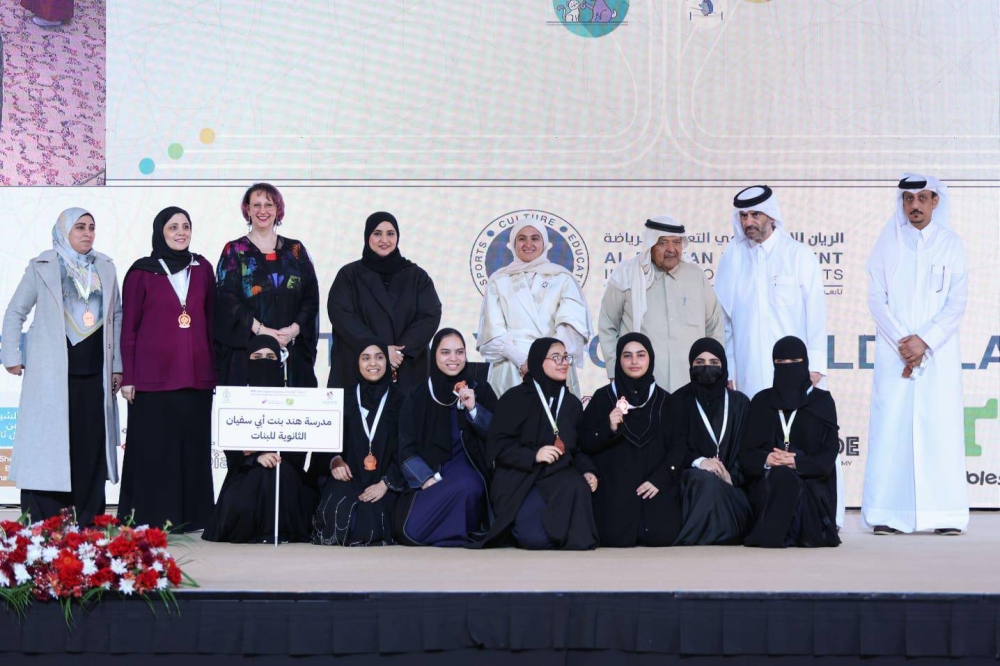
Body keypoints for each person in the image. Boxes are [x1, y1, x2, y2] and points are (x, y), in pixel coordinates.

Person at [714, 185, 844, 528]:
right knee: (758, 440)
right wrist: (729, 367)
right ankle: (762, 512)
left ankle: (820, 513)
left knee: (804, 440)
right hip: (751, 369)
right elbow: (725, 322)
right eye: (743, 216)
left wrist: (815, 367)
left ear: (772, 215)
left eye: (756, 214)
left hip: (796, 374)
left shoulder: (798, 255)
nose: (749, 222)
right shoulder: (732, 258)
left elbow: (816, 315)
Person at [862, 174, 969, 536]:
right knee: (892, 430)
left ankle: (945, 515)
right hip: (896, 358)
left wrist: (925, 341)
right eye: (908, 199)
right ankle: (888, 513)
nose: (915, 206)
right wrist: (903, 343)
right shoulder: (886, 244)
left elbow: (957, 303)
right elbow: (877, 298)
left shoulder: (952, 244)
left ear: (935, 202)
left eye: (922, 198)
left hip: (937, 357)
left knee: (939, 429)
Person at [1, 208, 121, 526]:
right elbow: (15, 312)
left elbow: (116, 317)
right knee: (49, 450)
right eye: (79, 227)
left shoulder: (105, 268)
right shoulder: (43, 266)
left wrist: (117, 366)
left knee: (90, 448)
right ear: (63, 232)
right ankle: (45, 522)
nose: (87, 233)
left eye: (92, 227)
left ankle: (89, 521)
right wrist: (11, 355)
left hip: (95, 375)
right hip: (52, 376)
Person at [117, 207, 216, 531]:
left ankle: (193, 517)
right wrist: (128, 378)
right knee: (155, 453)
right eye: (173, 227)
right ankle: (150, 517)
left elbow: (212, 322)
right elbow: (128, 328)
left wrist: (215, 373)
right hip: (152, 380)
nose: (180, 232)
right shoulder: (142, 272)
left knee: (192, 451)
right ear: (160, 231)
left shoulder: (202, 268)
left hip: (196, 377)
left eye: (186, 226)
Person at [476, 338, 599, 550]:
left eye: (565, 357)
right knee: (535, 539)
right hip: (521, 477)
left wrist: (588, 470)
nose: (563, 363)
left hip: (557, 474)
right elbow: (497, 446)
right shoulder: (514, 399)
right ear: (536, 361)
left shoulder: (571, 404)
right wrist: (534, 455)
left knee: (578, 488)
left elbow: (577, 449)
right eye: (555, 357)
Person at [202, 335, 316, 543]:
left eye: (270, 357)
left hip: (287, 469)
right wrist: (255, 457)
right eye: (257, 356)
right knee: (251, 485)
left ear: (279, 363)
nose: (264, 361)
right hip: (244, 472)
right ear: (248, 361)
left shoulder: (295, 399)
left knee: (285, 482)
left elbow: (301, 445)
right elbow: (232, 451)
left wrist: (275, 452)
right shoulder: (235, 400)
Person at [394, 329, 496, 546]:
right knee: (410, 530)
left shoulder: (481, 390)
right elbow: (405, 447)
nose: (453, 359)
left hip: (469, 469)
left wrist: (474, 409)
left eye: (459, 352)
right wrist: (425, 479)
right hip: (431, 473)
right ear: (434, 355)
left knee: (468, 486)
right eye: (445, 352)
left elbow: (497, 437)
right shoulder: (418, 395)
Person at [599, 216, 724, 392]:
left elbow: (714, 326)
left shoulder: (696, 276)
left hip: (692, 383)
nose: (671, 249)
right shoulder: (626, 276)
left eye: (677, 242)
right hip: (642, 385)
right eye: (663, 243)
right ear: (650, 245)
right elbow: (608, 325)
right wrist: (615, 371)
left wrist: (713, 370)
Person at [579, 332, 681, 547]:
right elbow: (584, 444)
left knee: (661, 535)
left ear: (650, 358)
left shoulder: (666, 400)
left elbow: (679, 447)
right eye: (627, 356)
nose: (634, 361)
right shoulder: (602, 397)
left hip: (655, 487)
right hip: (614, 490)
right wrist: (608, 428)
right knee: (613, 537)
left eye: (641, 355)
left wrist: (660, 479)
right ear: (619, 360)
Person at [215, 182, 320, 388]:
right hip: (247, 355)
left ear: (278, 209)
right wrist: (262, 331)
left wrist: (293, 330)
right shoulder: (234, 250)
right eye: (256, 205)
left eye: (269, 205)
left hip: (292, 351)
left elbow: (310, 296)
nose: (263, 211)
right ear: (247, 209)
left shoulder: (295, 250)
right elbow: (227, 299)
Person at [740, 337, 840, 548]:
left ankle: (775, 533)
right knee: (781, 476)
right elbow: (746, 456)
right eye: (780, 363)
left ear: (804, 363)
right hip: (770, 486)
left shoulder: (822, 402)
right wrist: (768, 459)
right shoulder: (761, 401)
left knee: (789, 477)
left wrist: (797, 463)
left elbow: (827, 459)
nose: (787, 368)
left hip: (811, 488)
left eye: (794, 361)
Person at [476, 219, 593, 398]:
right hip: (512, 367)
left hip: (554, 366)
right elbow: (492, 332)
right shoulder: (498, 280)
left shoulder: (563, 279)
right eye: (522, 238)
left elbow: (571, 327)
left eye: (535, 238)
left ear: (544, 243)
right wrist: (523, 361)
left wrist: (546, 360)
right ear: (513, 243)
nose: (528, 244)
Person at [327, 212, 441, 393]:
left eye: (390, 233)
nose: (384, 240)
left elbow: (430, 315)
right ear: (367, 236)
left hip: (405, 366)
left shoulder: (417, 276)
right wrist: (379, 350)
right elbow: (341, 315)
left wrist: (398, 352)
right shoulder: (349, 275)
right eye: (377, 233)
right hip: (359, 367)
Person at [313, 341, 404, 546]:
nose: (373, 363)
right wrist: (334, 460)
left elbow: (407, 450)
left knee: (373, 518)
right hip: (348, 478)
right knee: (340, 511)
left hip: (386, 480)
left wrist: (385, 484)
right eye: (366, 358)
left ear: (388, 361)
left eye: (379, 357)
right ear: (357, 362)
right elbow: (323, 440)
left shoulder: (402, 400)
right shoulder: (342, 399)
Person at [671, 338, 753, 545]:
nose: (706, 367)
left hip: (733, 482)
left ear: (723, 366)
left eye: (714, 362)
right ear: (690, 366)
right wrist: (699, 462)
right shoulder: (677, 401)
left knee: (722, 486)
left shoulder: (740, 402)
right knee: (704, 481)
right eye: (699, 363)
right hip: (691, 480)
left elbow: (749, 448)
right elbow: (671, 448)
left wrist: (731, 475)